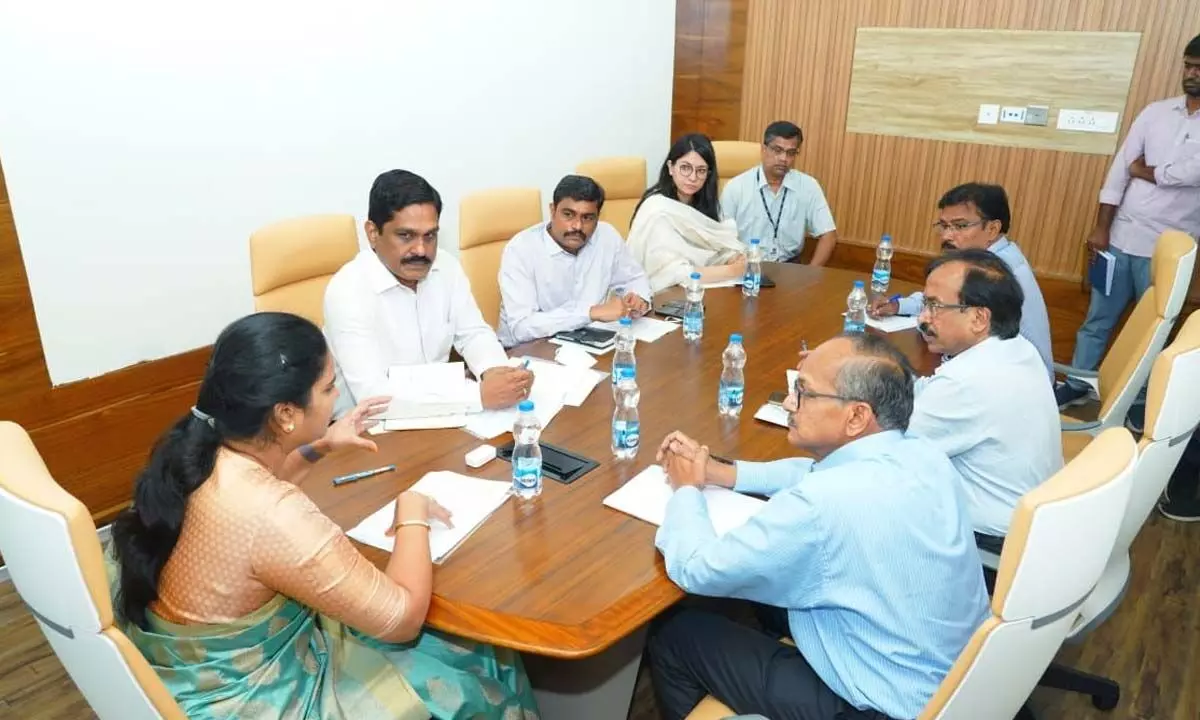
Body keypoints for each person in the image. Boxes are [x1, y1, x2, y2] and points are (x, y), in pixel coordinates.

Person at [109, 312, 539, 719]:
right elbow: (403, 619)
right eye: (330, 388)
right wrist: (413, 510)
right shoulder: (273, 512)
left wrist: (322, 445)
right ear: (285, 415)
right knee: (471, 661)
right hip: (256, 697)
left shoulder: (206, 450)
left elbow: (267, 482)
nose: (337, 398)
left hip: (189, 668)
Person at [647, 333, 989, 720]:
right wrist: (726, 473)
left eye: (804, 393)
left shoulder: (821, 505)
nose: (789, 403)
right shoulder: (922, 453)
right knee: (763, 596)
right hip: (958, 683)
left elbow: (698, 569)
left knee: (678, 634)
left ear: (857, 416)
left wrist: (686, 491)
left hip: (883, 707)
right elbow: (811, 474)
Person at [1057, 33, 1200, 420]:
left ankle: (1137, 402)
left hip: (1170, 249)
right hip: (1120, 237)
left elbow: (1190, 173)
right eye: (1188, 65)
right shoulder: (1155, 112)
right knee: (1097, 318)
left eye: (1199, 68)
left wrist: (1150, 171)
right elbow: (1122, 168)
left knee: (1154, 331)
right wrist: (1100, 227)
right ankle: (1077, 385)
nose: (1192, 73)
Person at [323, 169, 533, 417]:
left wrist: (497, 372)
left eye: (430, 236)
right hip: (373, 429)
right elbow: (373, 398)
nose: (421, 250)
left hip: (447, 411)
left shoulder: (446, 266)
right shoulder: (347, 291)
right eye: (406, 236)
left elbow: (473, 332)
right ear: (373, 233)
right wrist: (476, 396)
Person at [906, 250, 1063, 546]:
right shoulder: (1018, 350)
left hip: (987, 543)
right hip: (1030, 523)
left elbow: (887, 448)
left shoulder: (966, 382)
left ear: (979, 318)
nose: (922, 318)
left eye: (934, 306)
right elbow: (928, 391)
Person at [869, 183, 1053, 379]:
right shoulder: (990, 258)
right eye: (944, 226)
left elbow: (945, 329)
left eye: (960, 226)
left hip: (1014, 381)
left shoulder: (995, 271)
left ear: (992, 228)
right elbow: (946, 301)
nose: (947, 235)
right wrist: (898, 306)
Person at [497, 174, 652, 347]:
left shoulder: (607, 236)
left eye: (587, 218)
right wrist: (590, 313)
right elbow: (521, 328)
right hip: (528, 351)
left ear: (598, 217)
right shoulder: (521, 250)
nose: (577, 226)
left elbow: (634, 278)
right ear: (552, 210)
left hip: (587, 342)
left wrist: (639, 299)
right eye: (568, 215)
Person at [626, 133, 747, 292]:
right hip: (662, 297)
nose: (692, 177)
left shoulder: (705, 204)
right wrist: (731, 271)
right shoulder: (656, 210)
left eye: (701, 170)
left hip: (701, 293)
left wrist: (733, 258)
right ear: (671, 168)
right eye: (685, 168)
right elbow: (671, 274)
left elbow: (716, 249)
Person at [719, 121, 839, 265]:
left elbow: (829, 235)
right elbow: (721, 238)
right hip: (745, 265)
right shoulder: (736, 187)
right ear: (764, 150)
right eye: (777, 150)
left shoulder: (808, 186)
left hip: (791, 268)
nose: (784, 158)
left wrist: (811, 274)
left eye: (791, 153)